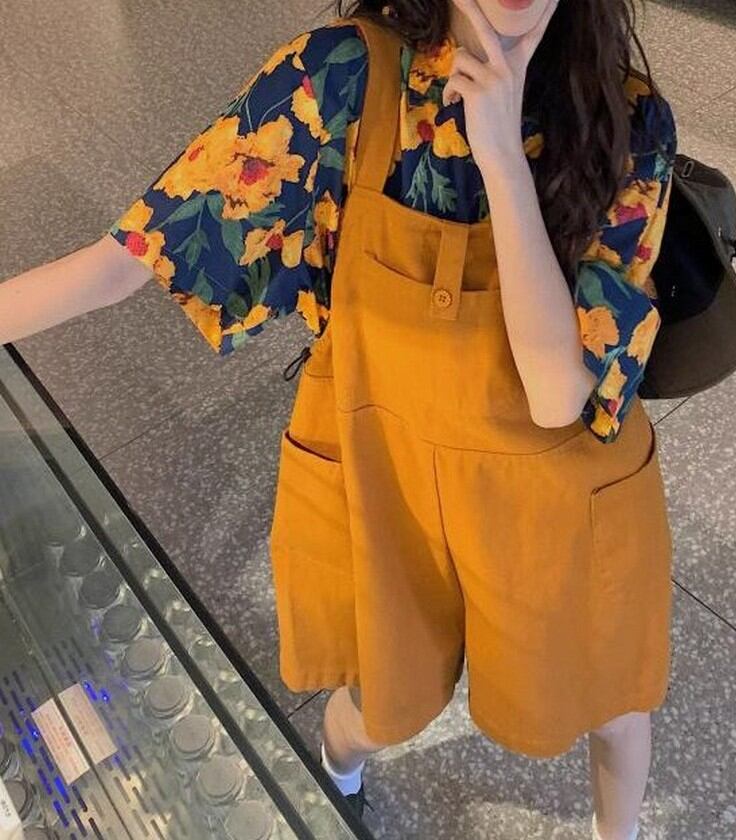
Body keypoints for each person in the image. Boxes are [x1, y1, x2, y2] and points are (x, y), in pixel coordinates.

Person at [0, 0, 678, 837]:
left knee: (610, 700)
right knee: (379, 701)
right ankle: (336, 775)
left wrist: (502, 156)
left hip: (559, 490)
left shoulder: (625, 117)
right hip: (388, 470)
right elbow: (123, 262)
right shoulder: (345, 76)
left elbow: (553, 395)